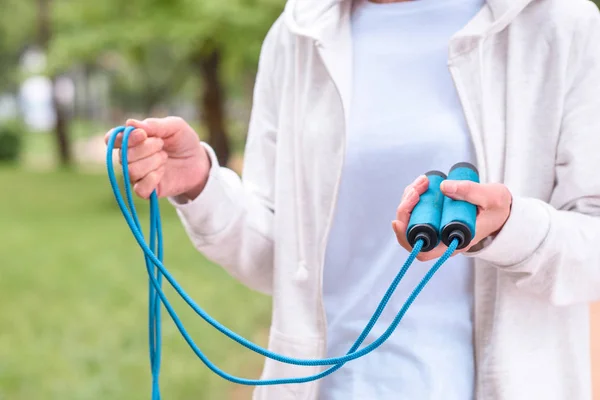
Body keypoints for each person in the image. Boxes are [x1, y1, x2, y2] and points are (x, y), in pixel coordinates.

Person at [106, 0, 600, 398]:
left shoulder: (560, 23)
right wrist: (200, 183)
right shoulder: (297, 32)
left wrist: (506, 228)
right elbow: (277, 259)